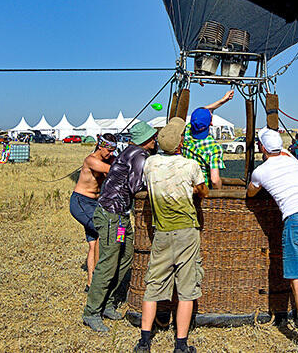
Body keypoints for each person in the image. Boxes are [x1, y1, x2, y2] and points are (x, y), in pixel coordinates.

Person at [247, 128, 298, 352]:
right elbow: (279, 150)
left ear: (262, 148)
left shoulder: (261, 172)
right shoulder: (292, 159)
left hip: (297, 221)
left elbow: (250, 194)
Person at [133, 117, 208, 353]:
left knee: (153, 284)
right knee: (186, 289)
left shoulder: (150, 164)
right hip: (186, 231)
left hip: (161, 231)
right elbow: (203, 191)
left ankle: (144, 341)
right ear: (180, 144)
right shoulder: (190, 166)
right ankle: (181, 344)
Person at [83, 123, 157, 333]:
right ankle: (91, 311)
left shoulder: (131, 152)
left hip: (120, 217)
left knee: (125, 257)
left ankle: (107, 302)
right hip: (111, 216)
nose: (155, 140)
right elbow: (136, 186)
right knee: (108, 262)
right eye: (152, 137)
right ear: (145, 139)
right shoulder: (139, 155)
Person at [70, 133, 116, 293]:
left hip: (95, 204)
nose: (111, 154)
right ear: (100, 146)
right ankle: (98, 278)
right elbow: (112, 170)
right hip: (81, 202)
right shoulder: (91, 160)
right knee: (104, 232)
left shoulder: (105, 158)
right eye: (109, 151)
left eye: (113, 151)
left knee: (93, 243)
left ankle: (90, 283)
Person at [182, 89, 234, 189]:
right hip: (202, 191)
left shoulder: (187, 133)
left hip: (186, 187)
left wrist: (222, 100)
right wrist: (219, 193)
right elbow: (214, 180)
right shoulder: (213, 147)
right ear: (211, 123)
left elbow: (200, 113)